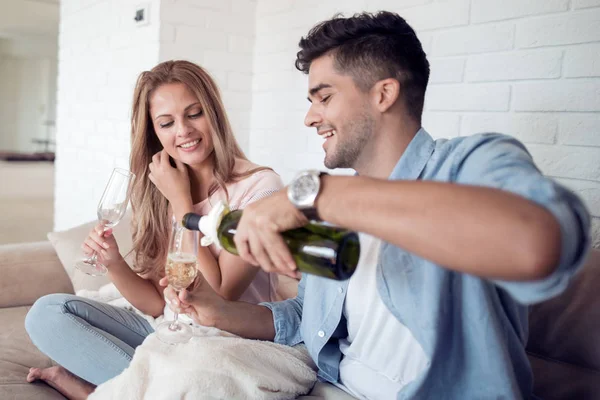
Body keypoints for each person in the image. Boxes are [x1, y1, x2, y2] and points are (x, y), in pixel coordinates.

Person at [163, 12, 591, 399]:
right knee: (175, 374)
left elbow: (536, 243)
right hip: (330, 386)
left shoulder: (472, 163)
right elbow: (301, 318)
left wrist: (317, 194)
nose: (310, 118)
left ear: (383, 93)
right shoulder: (335, 207)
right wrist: (221, 313)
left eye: (323, 97)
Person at [24, 60, 284, 400]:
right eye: (166, 122)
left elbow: (222, 296)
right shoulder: (163, 183)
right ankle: (132, 389)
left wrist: (182, 204)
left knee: (191, 380)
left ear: (214, 113)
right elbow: (156, 303)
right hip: (169, 331)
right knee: (47, 314)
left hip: (225, 340)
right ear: (154, 132)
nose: (183, 131)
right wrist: (114, 262)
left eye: (194, 114)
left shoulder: (260, 187)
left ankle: (97, 392)